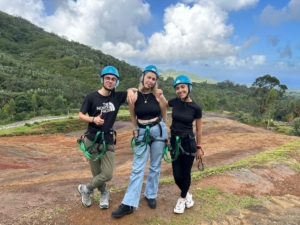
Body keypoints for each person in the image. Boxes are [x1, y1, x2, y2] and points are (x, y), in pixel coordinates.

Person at [111, 65, 168, 218]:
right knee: (137, 167)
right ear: (143, 77)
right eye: (149, 77)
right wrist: (137, 129)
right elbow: (132, 115)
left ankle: (150, 195)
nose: (150, 81)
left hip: (158, 130)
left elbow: (164, 112)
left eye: (154, 79)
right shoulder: (134, 95)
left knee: (155, 166)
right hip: (142, 131)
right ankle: (129, 203)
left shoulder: (157, 95)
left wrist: (165, 130)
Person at [77, 65, 137, 209]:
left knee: (108, 174)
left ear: (116, 82)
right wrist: (93, 120)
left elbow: (135, 90)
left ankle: (85, 189)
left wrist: (129, 90)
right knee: (96, 173)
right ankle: (103, 192)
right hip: (91, 140)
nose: (110, 81)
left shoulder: (116, 97)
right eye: (108, 78)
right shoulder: (91, 97)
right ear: (102, 80)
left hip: (107, 139)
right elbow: (80, 116)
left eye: (113, 79)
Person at [164, 75, 203, 214]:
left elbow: (198, 130)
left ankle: (181, 199)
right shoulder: (175, 102)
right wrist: (159, 94)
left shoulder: (196, 108)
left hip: (188, 143)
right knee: (176, 175)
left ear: (189, 88)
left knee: (186, 173)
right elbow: (162, 103)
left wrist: (199, 147)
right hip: (175, 141)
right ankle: (187, 195)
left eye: (183, 87)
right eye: (177, 88)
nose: (180, 90)